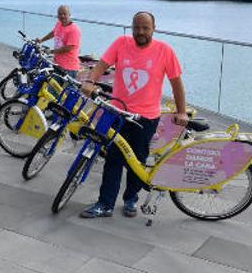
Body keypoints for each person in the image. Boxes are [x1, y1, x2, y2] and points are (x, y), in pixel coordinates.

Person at [79, 11, 188, 218]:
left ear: (153, 29)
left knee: (137, 160)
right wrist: (90, 80)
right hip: (118, 112)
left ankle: (131, 200)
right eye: (136, 27)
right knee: (113, 158)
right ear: (131, 27)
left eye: (145, 28)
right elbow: (102, 65)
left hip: (146, 118)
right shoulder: (121, 43)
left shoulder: (165, 51)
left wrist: (181, 111)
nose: (140, 31)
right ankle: (105, 203)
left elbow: (177, 84)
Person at [38, 5, 82, 78]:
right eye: (60, 14)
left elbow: (68, 48)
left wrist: (51, 51)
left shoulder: (74, 30)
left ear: (69, 14)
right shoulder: (59, 24)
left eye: (64, 14)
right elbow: (53, 33)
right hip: (58, 64)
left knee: (53, 89)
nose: (62, 16)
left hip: (69, 68)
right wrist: (41, 40)